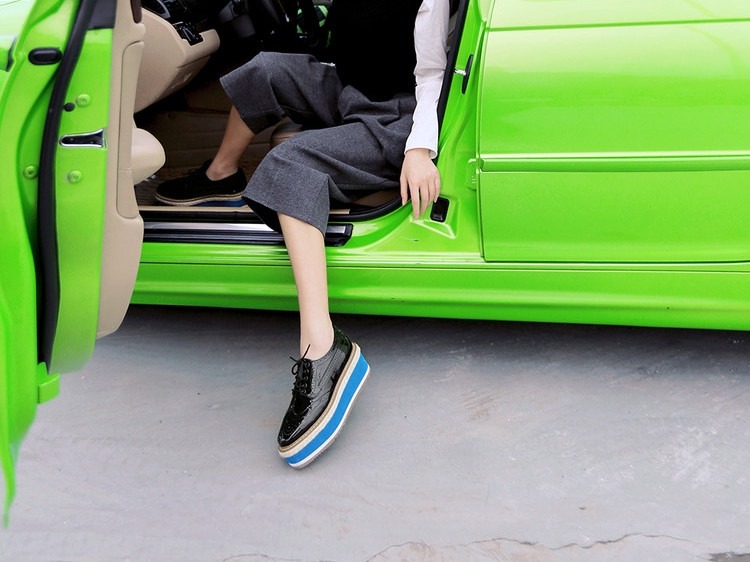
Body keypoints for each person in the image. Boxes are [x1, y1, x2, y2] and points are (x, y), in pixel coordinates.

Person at [155, 0, 450, 468]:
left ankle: (323, 347)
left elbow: (433, 73)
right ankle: (220, 175)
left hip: (398, 117)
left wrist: (419, 150)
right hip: (351, 90)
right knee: (263, 71)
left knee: (288, 165)